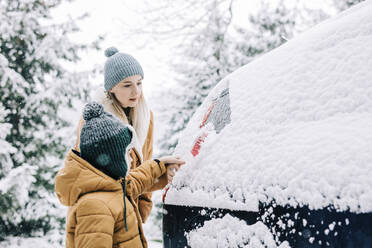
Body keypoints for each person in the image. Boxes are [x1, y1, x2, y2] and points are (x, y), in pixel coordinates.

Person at [55, 102, 185, 248]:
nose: (131, 159)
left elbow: (136, 181)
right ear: (112, 158)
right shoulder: (95, 206)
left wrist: (160, 166)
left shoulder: (110, 186)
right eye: (128, 153)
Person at [74, 46, 173, 223]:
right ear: (111, 88)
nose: (136, 91)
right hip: (103, 214)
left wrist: (143, 208)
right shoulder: (95, 120)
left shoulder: (146, 116)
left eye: (139, 83)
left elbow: (146, 162)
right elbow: (84, 174)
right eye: (127, 85)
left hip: (133, 213)